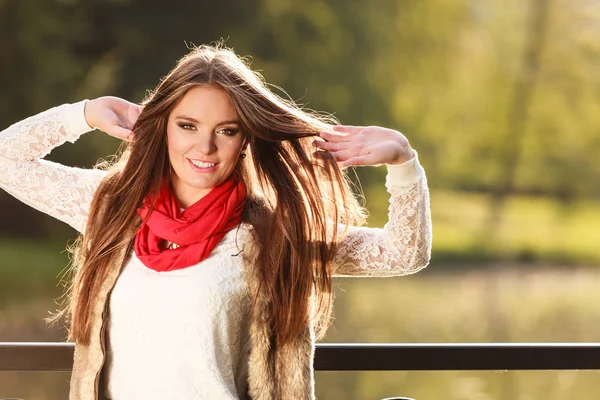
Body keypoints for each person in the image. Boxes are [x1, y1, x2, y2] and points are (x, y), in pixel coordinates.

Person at [0, 44, 432, 400]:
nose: (204, 146)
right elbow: (6, 161)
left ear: (246, 138)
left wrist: (404, 164)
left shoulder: (272, 232)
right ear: (163, 127)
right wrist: (85, 113)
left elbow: (401, 253)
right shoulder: (111, 207)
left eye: (227, 130)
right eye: (187, 125)